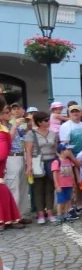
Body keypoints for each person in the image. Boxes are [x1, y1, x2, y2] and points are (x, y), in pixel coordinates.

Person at [24, 111, 58, 224]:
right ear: (39, 122)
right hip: (38, 162)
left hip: (51, 161)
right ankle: (40, 213)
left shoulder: (53, 133)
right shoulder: (31, 134)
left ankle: (49, 212)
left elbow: (55, 149)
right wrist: (29, 166)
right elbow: (28, 151)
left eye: (48, 120)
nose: (48, 122)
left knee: (50, 188)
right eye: (46, 120)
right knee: (38, 189)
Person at [0, 95, 24, 232]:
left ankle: (17, 215)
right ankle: (9, 218)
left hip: (19, 156)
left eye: (11, 111)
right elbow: (6, 146)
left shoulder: (7, 126)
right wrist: (14, 126)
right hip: (11, 158)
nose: (10, 113)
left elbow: (25, 136)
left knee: (20, 188)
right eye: (6, 112)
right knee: (10, 187)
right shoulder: (4, 128)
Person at [52, 143, 78, 224]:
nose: (70, 151)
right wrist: (57, 185)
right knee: (60, 201)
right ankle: (59, 216)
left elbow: (72, 173)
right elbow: (55, 174)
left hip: (69, 185)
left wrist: (74, 183)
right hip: (61, 185)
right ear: (62, 151)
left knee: (67, 200)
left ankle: (66, 214)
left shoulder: (69, 161)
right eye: (68, 150)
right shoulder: (57, 162)